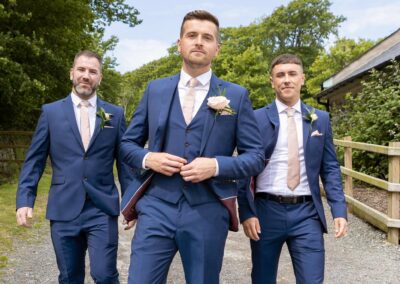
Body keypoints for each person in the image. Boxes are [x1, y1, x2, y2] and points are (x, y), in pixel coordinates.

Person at [120, 10, 265, 284]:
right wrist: (149, 158)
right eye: (192, 35)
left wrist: (216, 166)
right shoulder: (155, 90)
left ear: (217, 49)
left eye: (207, 37)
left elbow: (256, 157)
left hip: (208, 211)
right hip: (156, 207)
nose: (199, 42)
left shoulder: (235, 95)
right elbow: (127, 145)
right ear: (179, 44)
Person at [16, 50, 131, 283]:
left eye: (92, 71)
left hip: (101, 207)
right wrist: (25, 200)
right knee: (69, 276)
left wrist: (131, 204)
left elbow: (125, 163)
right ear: (72, 73)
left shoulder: (115, 115)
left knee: (105, 274)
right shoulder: (51, 112)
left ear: (100, 78)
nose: (86, 76)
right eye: (81, 70)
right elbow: (35, 160)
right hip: (63, 208)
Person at [238, 53, 348, 284]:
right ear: (272, 81)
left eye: (292, 74)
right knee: (262, 279)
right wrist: (247, 212)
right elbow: (244, 168)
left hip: (307, 213)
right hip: (266, 211)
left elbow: (329, 168)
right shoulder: (255, 118)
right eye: (280, 75)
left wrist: (339, 210)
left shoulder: (320, 119)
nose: (286, 79)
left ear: (302, 78)